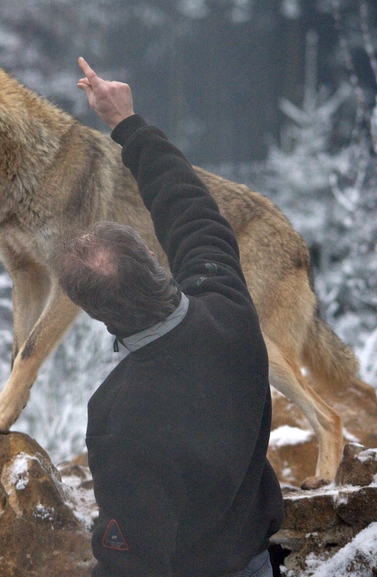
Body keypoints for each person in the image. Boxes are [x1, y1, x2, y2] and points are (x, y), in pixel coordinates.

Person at [59, 58, 284, 577]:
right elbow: (189, 208)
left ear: (98, 314)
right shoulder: (228, 306)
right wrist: (127, 123)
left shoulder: (120, 415)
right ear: (154, 262)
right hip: (255, 562)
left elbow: (132, 561)